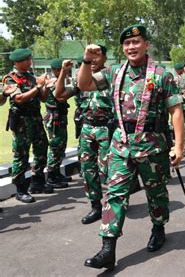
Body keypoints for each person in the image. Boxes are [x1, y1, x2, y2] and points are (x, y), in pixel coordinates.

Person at [78, 25, 184, 271]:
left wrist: (179, 146)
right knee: (114, 195)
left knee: (156, 194)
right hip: (120, 144)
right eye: (127, 43)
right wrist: (85, 59)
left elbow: (176, 110)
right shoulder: (114, 72)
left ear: (146, 44)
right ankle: (108, 249)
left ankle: (158, 228)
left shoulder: (161, 74)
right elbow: (84, 85)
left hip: (152, 145)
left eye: (136, 42)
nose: (131, 47)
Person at [56, 46, 114, 225]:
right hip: (87, 129)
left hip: (108, 129)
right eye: (90, 57)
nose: (94, 60)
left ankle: (115, 204)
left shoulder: (111, 76)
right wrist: (64, 72)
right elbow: (59, 95)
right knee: (88, 170)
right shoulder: (81, 79)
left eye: (97, 56)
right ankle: (96, 206)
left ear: (105, 58)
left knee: (111, 170)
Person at [4, 48, 54, 203]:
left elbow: (43, 98)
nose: (29, 62)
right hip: (21, 123)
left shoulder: (31, 78)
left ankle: (37, 182)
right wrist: (37, 87)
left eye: (30, 59)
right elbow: (19, 98)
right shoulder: (10, 79)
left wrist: (45, 86)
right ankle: (20, 189)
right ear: (17, 62)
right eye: (26, 60)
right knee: (22, 155)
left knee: (41, 150)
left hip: (36, 120)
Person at [42, 58, 71, 189]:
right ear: (55, 70)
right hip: (54, 119)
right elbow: (59, 96)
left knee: (61, 146)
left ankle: (57, 173)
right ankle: (51, 177)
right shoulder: (54, 82)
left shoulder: (60, 81)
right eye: (61, 69)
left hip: (60, 117)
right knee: (55, 147)